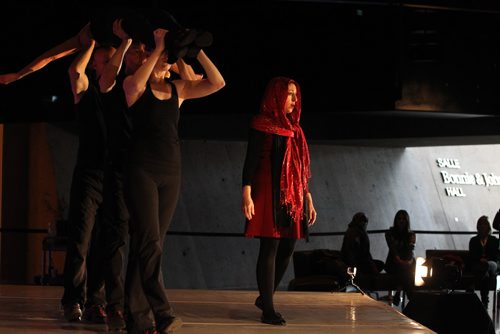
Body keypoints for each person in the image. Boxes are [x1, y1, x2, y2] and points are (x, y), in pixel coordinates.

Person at [122, 28, 225, 334]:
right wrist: (157, 48)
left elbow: (218, 83)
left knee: (150, 243)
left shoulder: (179, 90)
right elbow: (137, 80)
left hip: (171, 172)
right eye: (162, 58)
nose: (165, 60)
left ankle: (137, 319)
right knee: (149, 242)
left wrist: (191, 52)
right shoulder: (133, 86)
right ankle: (162, 312)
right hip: (141, 170)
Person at [61, 19, 133, 331]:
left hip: (114, 175)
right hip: (89, 174)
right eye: (105, 60)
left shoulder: (121, 93)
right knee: (80, 239)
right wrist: (89, 44)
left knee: (109, 242)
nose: (110, 64)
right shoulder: (86, 89)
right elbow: (74, 72)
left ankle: (97, 301)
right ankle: (73, 300)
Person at [241, 76, 317, 326]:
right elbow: (251, 160)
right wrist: (247, 192)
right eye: (289, 94)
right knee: (269, 247)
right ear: (276, 95)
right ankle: (268, 309)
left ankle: (265, 297)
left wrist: (307, 196)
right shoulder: (261, 124)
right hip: (267, 190)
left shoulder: (296, 129)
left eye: (296, 95)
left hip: (292, 195)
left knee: (289, 246)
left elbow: (300, 168)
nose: (294, 100)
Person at [341, 212, 384, 289]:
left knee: (378, 265)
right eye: (362, 220)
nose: (364, 223)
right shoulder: (356, 233)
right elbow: (352, 254)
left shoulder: (357, 232)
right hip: (355, 264)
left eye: (365, 221)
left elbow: (365, 253)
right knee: (379, 265)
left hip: (357, 263)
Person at [384, 209, 416, 306]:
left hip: (405, 262)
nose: (401, 221)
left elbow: (410, 250)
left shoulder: (411, 234)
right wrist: (401, 261)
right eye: (399, 219)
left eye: (403, 219)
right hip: (394, 262)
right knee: (406, 271)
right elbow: (393, 250)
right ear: (396, 220)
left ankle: (398, 291)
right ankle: (409, 295)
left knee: (408, 267)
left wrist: (408, 261)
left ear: (407, 221)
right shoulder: (390, 233)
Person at [467, 215, 499, 308]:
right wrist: (480, 259)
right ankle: (485, 300)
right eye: (480, 225)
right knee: (485, 274)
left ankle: (474, 285)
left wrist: (486, 260)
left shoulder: (494, 240)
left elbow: (494, 255)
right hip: (479, 264)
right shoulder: (474, 240)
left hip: (491, 263)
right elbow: (472, 255)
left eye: (484, 225)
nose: (482, 227)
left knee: (488, 265)